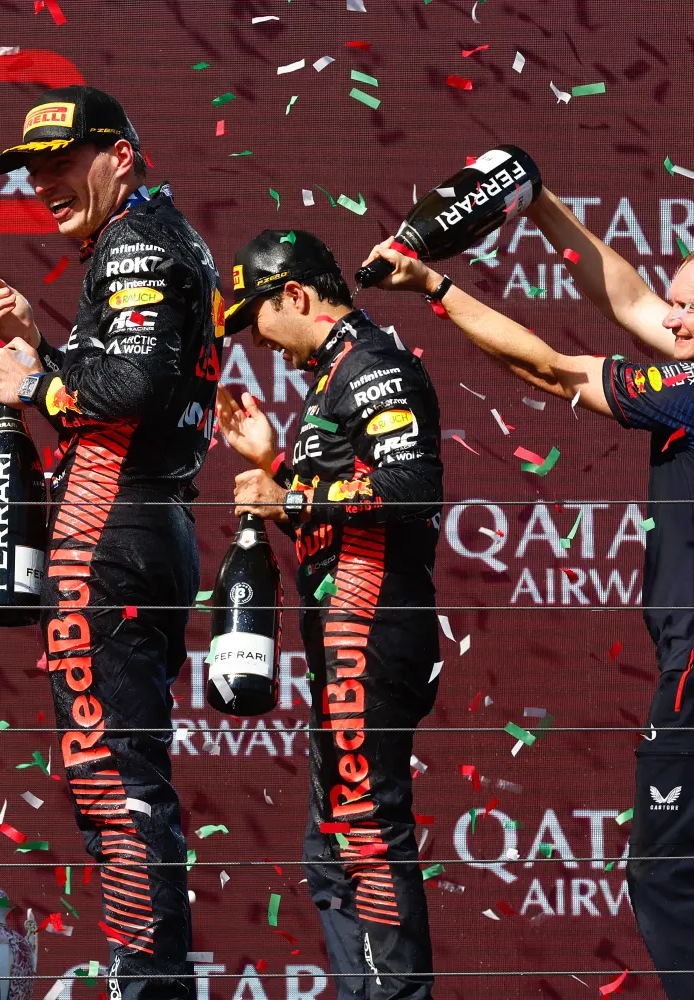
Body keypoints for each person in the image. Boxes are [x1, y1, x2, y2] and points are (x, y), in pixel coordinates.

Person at [362, 188, 694, 1000]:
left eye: (690, 311)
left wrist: (433, 288)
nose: (671, 323)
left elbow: (550, 367)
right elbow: (634, 299)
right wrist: (540, 205)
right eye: (674, 305)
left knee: (673, 885)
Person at [0, 85, 223, 1000]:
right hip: (147, 522)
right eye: (33, 167)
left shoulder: (134, 244)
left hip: (109, 535)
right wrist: (38, 346)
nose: (45, 180)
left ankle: (148, 984)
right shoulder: (162, 238)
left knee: (110, 778)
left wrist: (33, 384)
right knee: (125, 775)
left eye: (63, 160)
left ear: (121, 156)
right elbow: (129, 382)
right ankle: (148, 978)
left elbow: (133, 386)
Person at [215, 231, 443, 1000]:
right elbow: (341, 517)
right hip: (351, 629)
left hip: (370, 630)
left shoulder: (371, 367)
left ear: (298, 297)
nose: (257, 341)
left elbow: (411, 487)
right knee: (333, 852)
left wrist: (293, 494)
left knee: (360, 842)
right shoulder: (338, 376)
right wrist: (277, 467)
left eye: (257, 319)